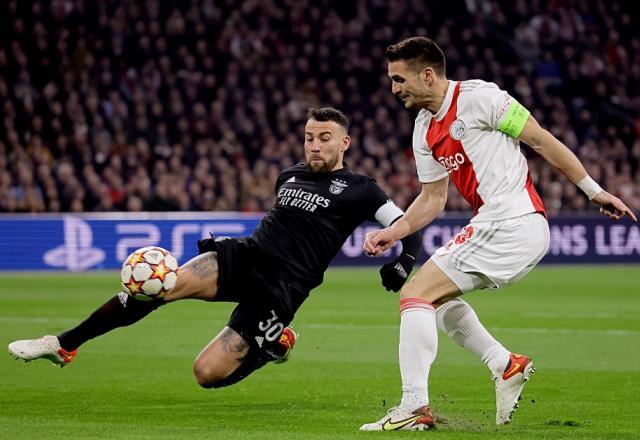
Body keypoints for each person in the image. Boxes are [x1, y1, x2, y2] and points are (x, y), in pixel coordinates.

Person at [8, 107, 423, 390]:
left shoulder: (361, 190)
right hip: (246, 256)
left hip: (283, 287)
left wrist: (403, 263)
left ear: (345, 142)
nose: (314, 145)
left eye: (325, 138)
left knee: (206, 374)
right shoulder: (289, 176)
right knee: (160, 285)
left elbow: (409, 225)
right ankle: (64, 343)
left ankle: (276, 345)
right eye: (309, 137)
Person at [360, 37, 637, 431]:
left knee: (415, 293)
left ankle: (413, 407)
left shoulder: (481, 98)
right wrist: (396, 231)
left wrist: (594, 191)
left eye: (399, 78)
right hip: (499, 224)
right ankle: (505, 365)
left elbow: (540, 139)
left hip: (512, 220)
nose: (394, 88)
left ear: (427, 74)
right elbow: (433, 199)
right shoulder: (424, 129)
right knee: (431, 303)